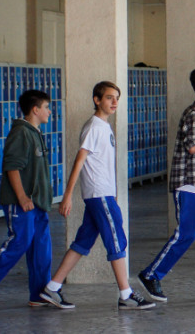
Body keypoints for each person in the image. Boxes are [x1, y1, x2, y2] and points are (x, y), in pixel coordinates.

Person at [41, 82, 154, 310]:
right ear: (97, 99)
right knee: (116, 240)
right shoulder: (94, 127)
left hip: (101, 194)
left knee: (83, 242)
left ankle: (52, 288)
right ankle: (126, 294)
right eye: (109, 98)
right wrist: (68, 195)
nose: (114, 102)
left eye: (116, 98)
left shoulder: (103, 126)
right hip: (99, 194)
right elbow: (79, 160)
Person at [138, 68, 195, 303]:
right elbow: (193, 146)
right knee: (186, 234)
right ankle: (151, 274)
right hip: (189, 183)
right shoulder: (194, 113)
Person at [0, 90, 54, 309]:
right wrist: (21, 197)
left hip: (37, 202)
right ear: (35, 109)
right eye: (47, 107)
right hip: (21, 202)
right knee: (19, 241)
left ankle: (39, 293)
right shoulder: (21, 132)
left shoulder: (35, 131)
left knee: (41, 247)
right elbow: (12, 166)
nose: (49, 111)